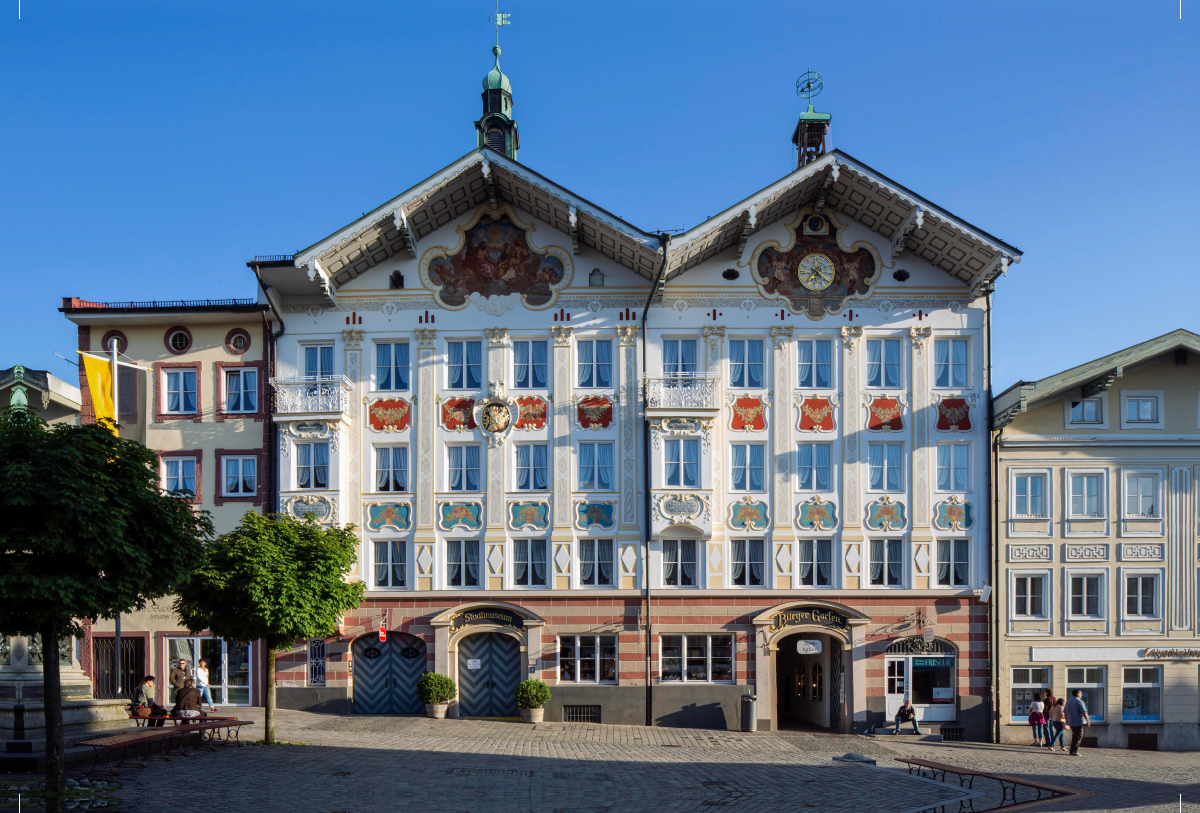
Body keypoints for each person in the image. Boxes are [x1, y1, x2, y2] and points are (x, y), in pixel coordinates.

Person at [1065, 689, 1090, 756]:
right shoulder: (1079, 702)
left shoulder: (1068, 701)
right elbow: (1084, 712)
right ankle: (1073, 751)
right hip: (1078, 722)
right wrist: (1088, 721)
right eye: (1081, 693)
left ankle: (1072, 750)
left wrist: (1066, 720)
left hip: (1071, 722)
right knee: (1078, 736)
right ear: (1078, 693)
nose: (1082, 695)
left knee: (1075, 736)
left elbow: (1065, 711)